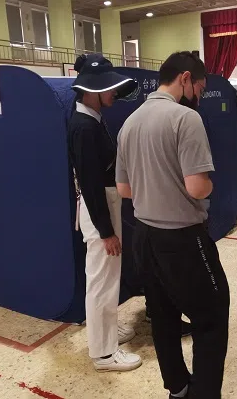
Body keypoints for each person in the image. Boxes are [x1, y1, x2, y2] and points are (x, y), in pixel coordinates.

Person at [116, 51, 229, 399]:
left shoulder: (130, 122)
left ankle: (177, 387)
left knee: (163, 315)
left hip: (144, 236)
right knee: (211, 317)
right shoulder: (185, 119)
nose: (199, 94)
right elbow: (197, 187)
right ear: (184, 79)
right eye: (199, 86)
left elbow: (125, 189)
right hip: (182, 239)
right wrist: (208, 185)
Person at [67, 53, 142, 372]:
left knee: (108, 278)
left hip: (104, 208)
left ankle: (108, 331)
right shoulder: (84, 126)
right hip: (100, 213)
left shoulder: (91, 118)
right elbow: (90, 183)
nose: (113, 93)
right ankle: (103, 353)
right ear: (92, 90)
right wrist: (106, 230)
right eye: (108, 88)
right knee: (100, 282)